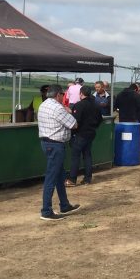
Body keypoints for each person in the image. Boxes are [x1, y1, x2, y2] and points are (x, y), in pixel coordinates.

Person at [37, 84, 81, 220]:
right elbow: (74, 124)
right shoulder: (58, 108)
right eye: (63, 95)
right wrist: (68, 111)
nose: (64, 97)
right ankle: (46, 210)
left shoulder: (44, 105)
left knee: (60, 176)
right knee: (51, 177)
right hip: (56, 145)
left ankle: (64, 204)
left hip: (47, 143)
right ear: (58, 95)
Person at [67, 85, 103, 186]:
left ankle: (72, 180)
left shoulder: (79, 105)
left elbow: (75, 121)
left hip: (80, 134)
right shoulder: (96, 104)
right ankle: (87, 179)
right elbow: (100, 119)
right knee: (87, 155)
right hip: (91, 133)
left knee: (75, 157)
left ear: (81, 94)